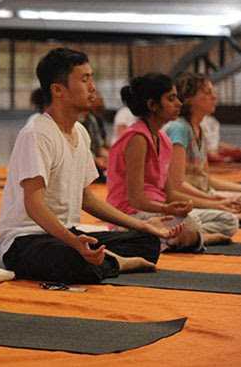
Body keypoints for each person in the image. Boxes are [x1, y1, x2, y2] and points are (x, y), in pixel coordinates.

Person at [0, 48, 177, 285]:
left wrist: (143, 224)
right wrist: (74, 242)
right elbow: (34, 205)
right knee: (76, 260)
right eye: (84, 79)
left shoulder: (80, 132)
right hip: (26, 240)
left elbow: (86, 199)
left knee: (146, 241)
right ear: (58, 90)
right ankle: (115, 261)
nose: (93, 87)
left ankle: (106, 259)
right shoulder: (37, 134)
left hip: (67, 233)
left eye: (92, 78)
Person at [107, 73, 235, 249]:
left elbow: (171, 192)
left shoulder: (163, 138)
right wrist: (167, 209)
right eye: (171, 98)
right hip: (131, 215)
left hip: (159, 210)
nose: (179, 104)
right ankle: (188, 237)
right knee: (190, 223)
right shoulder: (137, 138)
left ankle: (181, 238)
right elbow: (136, 200)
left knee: (227, 220)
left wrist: (182, 205)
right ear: (152, 105)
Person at [164, 73, 241, 224]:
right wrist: (216, 201)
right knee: (229, 221)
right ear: (188, 99)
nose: (214, 97)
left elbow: (207, 179)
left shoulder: (199, 129)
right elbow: (177, 185)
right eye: (207, 92)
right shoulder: (178, 128)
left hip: (203, 193)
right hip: (185, 199)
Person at [82, 93, 109, 182]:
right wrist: (95, 159)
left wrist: (111, 157)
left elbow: (99, 147)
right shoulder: (76, 122)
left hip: (94, 162)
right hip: (84, 165)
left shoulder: (92, 119)